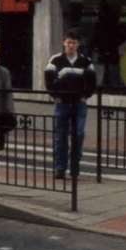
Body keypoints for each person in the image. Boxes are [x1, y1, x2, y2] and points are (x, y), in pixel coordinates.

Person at [44, 30, 98, 180]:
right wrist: (55, 96)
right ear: (64, 43)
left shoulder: (86, 62)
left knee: (78, 135)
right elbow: (49, 81)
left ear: (78, 44)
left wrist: (85, 96)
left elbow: (92, 83)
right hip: (62, 104)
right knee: (60, 137)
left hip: (79, 104)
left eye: (74, 43)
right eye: (69, 42)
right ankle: (60, 168)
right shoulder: (55, 60)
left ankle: (75, 167)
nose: (71, 45)